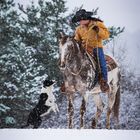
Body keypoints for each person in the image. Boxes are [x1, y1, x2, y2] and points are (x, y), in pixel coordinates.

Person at [72, 9, 110, 92]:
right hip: (83, 49)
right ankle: (71, 80)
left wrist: (98, 30)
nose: (79, 22)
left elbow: (106, 35)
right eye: (79, 21)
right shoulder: (79, 29)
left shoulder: (97, 24)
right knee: (73, 60)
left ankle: (104, 82)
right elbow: (77, 40)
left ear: (85, 18)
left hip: (96, 47)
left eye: (80, 20)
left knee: (102, 63)